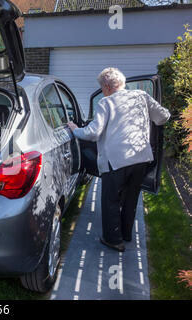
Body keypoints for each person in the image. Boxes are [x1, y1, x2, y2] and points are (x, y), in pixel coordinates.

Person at [67, 67, 170, 252]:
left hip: (115, 161)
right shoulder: (141, 96)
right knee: (131, 199)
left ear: (106, 87)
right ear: (122, 83)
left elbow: (93, 133)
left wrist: (75, 129)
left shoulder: (105, 103)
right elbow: (163, 117)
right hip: (140, 158)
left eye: (101, 86)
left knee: (111, 200)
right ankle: (126, 234)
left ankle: (113, 240)